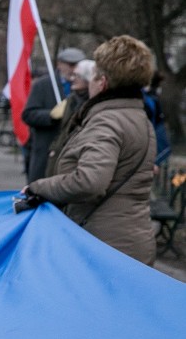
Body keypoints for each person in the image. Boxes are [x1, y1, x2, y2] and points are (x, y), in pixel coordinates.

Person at [23, 35, 157, 265]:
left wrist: (38, 187)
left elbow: (90, 182)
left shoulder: (107, 121)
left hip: (104, 246)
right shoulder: (137, 116)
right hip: (130, 240)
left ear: (102, 82)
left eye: (93, 75)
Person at [21, 47, 85, 182]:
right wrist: (51, 116)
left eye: (78, 65)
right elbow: (28, 114)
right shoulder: (43, 85)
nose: (74, 70)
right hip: (45, 154)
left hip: (73, 157)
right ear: (59, 64)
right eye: (71, 65)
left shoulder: (85, 86)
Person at [45, 59, 95, 176]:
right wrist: (54, 148)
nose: (72, 79)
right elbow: (64, 129)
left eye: (76, 76)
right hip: (58, 155)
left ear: (87, 79)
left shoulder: (92, 103)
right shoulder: (72, 99)